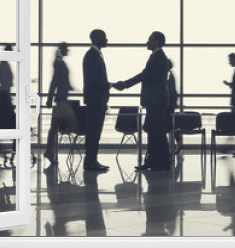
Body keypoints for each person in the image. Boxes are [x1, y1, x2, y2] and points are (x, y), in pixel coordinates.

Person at [115, 31, 171, 171]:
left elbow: (144, 76)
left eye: (149, 40)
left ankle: (160, 162)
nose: (147, 42)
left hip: (155, 100)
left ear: (156, 41)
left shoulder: (158, 57)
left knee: (156, 132)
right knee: (155, 131)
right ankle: (157, 161)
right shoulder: (157, 57)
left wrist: (125, 84)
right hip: (156, 100)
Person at [45, 42, 79, 164]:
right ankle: (48, 151)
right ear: (62, 50)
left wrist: (69, 86)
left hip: (61, 99)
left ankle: (48, 151)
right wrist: (49, 98)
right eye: (66, 49)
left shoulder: (60, 63)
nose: (68, 51)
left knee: (54, 127)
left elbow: (59, 81)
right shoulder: (59, 64)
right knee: (74, 125)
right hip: (61, 100)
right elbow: (54, 82)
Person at [82, 30, 111, 171]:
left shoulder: (95, 55)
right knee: (93, 132)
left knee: (95, 132)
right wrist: (110, 85)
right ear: (96, 38)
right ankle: (90, 161)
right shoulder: (92, 56)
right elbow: (95, 81)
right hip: (95, 100)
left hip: (97, 100)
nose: (107, 39)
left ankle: (92, 160)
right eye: (104, 37)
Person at [167, 59, 182, 154]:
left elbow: (171, 91)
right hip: (170, 103)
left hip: (169, 104)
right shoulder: (170, 75)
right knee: (170, 124)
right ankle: (177, 143)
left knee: (170, 124)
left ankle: (177, 142)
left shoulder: (169, 76)